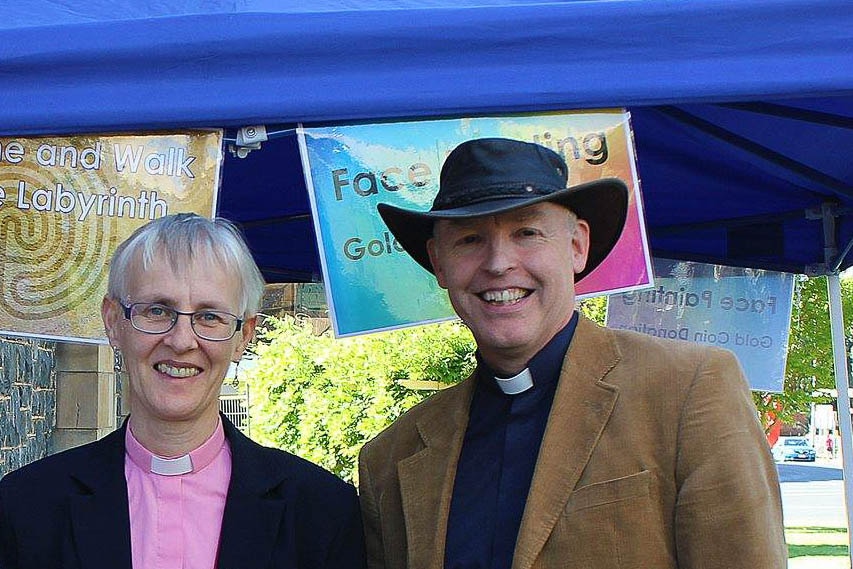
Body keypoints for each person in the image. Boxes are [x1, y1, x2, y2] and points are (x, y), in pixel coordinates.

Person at [358, 138, 786, 569]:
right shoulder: (392, 456)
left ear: (577, 246)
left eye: (527, 233)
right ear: (439, 263)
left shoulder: (688, 389)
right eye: (470, 239)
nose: (498, 263)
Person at [0, 213, 366, 569]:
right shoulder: (24, 507)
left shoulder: (321, 514)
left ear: (243, 336)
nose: (181, 341)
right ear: (114, 322)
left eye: (210, 316)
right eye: (158, 311)